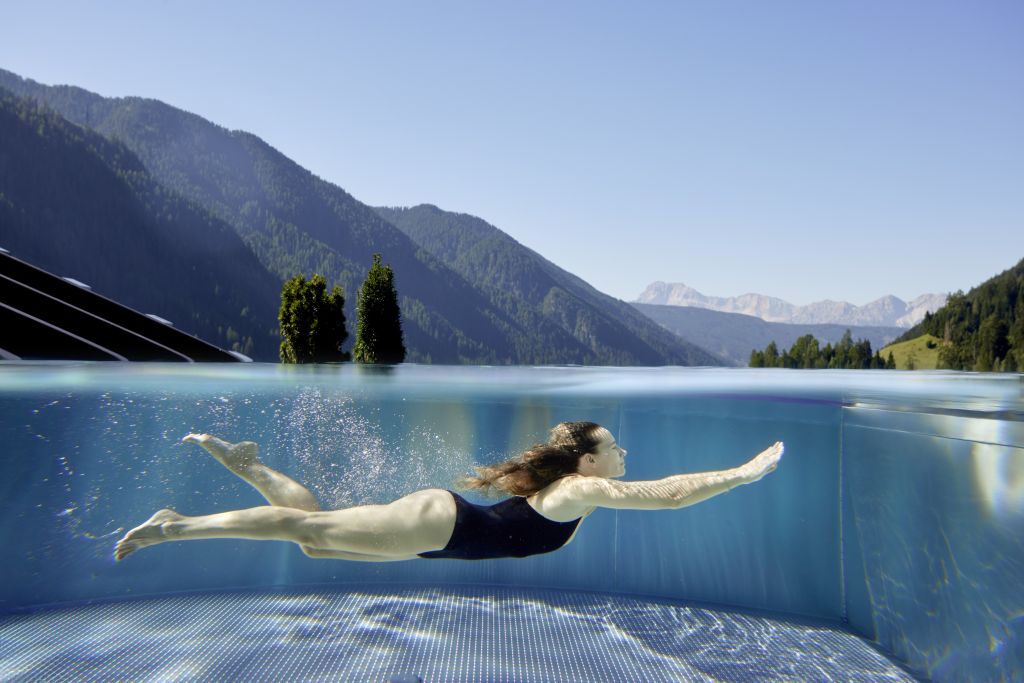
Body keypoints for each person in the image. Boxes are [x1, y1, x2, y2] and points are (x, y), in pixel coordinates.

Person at [115, 421, 783, 562]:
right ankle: (174, 524)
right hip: (439, 523)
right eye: (615, 445)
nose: (624, 454)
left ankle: (249, 465)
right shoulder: (581, 489)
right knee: (308, 531)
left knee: (312, 535)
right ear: (587, 457)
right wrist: (740, 474)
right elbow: (664, 496)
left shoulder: (568, 484)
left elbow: (659, 491)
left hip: (436, 532)